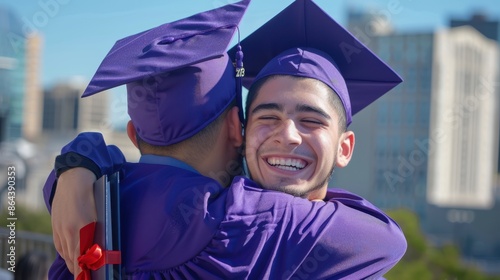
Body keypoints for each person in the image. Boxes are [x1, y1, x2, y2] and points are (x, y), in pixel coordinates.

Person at [44, 0, 407, 279]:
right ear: (240, 128)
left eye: (311, 120)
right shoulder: (248, 217)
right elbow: (386, 239)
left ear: (134, 135)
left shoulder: (89, 202)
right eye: (268, 117)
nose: (288, 135)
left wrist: (78, 163)